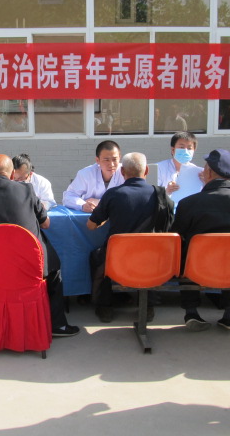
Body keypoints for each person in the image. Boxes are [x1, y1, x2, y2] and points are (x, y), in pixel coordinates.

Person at [0, 154, 79, 337]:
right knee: (54, 267)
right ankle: (57, 325)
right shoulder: (27, 191)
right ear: (12, 175)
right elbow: (46, 224)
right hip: (32, 265)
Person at [172, 149, 230, 331]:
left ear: (208, 172)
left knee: (185, 252)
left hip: (197, 269)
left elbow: (176, 237)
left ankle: (191, 311)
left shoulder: (188, 204)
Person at [87, 152, 174, 322]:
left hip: (119, 257)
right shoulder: (161, 194)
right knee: (149, 259)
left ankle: (105, 307)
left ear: (122, 172)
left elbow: (91, 225)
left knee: (97, 256)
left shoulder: (113, 194)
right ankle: (148, 306)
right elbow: (168, 225)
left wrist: (106, 219)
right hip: (152, 256)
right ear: (146, 170)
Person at [63, 140, 125, 213]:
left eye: (114, 159)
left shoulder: (126, 172)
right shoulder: (86, 174)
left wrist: (99, 202)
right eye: (106, 160)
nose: (111, 164)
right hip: (89, 217)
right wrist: (83, 205)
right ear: (97, 160)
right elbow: (68, 196)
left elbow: (132, 197)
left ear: (119, 158)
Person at [156, 131, 202, 200]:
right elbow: (152, 194)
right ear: (173, 149)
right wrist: (167, 191)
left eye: (189, 148)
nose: (185, 151)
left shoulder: (197, 171)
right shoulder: (159, 168)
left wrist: (205, 183)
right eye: (181, 147)